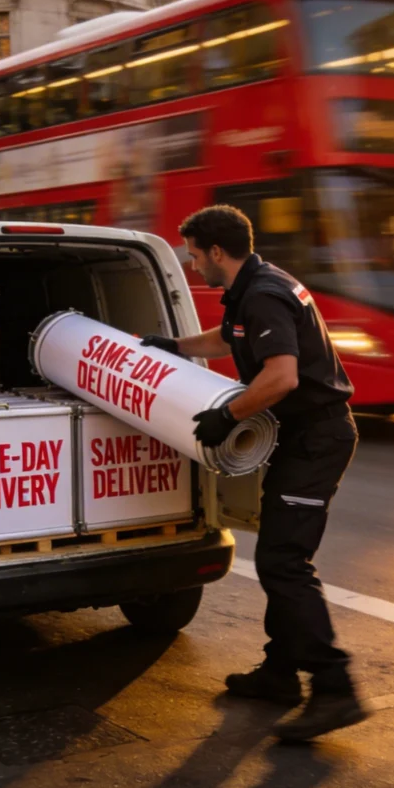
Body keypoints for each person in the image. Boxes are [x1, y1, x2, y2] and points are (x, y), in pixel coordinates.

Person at [142, 205, 367, 742]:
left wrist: (228, 415)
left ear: (217, 251)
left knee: (283, 563)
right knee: (278, 557)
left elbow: (282, 376)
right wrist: (174, 347)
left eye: (195, 255)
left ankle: (335, 687)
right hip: (302, 438)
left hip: (317, 440)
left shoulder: (264, 293)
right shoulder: (256, 287)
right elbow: (229, 338)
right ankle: (280, 674)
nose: (193, 265)